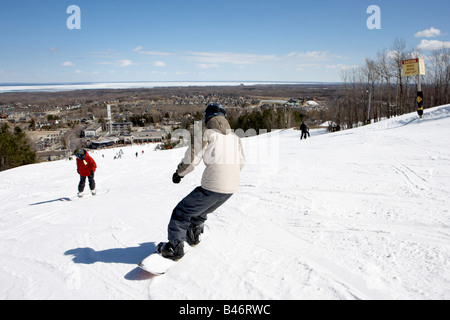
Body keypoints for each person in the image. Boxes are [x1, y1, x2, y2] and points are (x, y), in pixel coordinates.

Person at [157, 103, 246, 261]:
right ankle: (194, 234)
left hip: (213, 186)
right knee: (200, 209)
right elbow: (241, 162)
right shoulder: (235, 138)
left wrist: (179, 174)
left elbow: (192, 159)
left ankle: (175, 248)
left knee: (181, 212)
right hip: (231, 188)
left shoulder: (207, 134)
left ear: (207, 118)